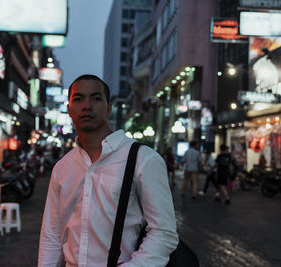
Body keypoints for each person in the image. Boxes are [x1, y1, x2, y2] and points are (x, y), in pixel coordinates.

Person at [38, 74, 178, 266]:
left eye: (96, 98)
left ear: (109, 108)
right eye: (78, 99)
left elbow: (164, 231)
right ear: (69, 109)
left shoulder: (143, 159)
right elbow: (52, 234)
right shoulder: (62, 168)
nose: (87, 106)